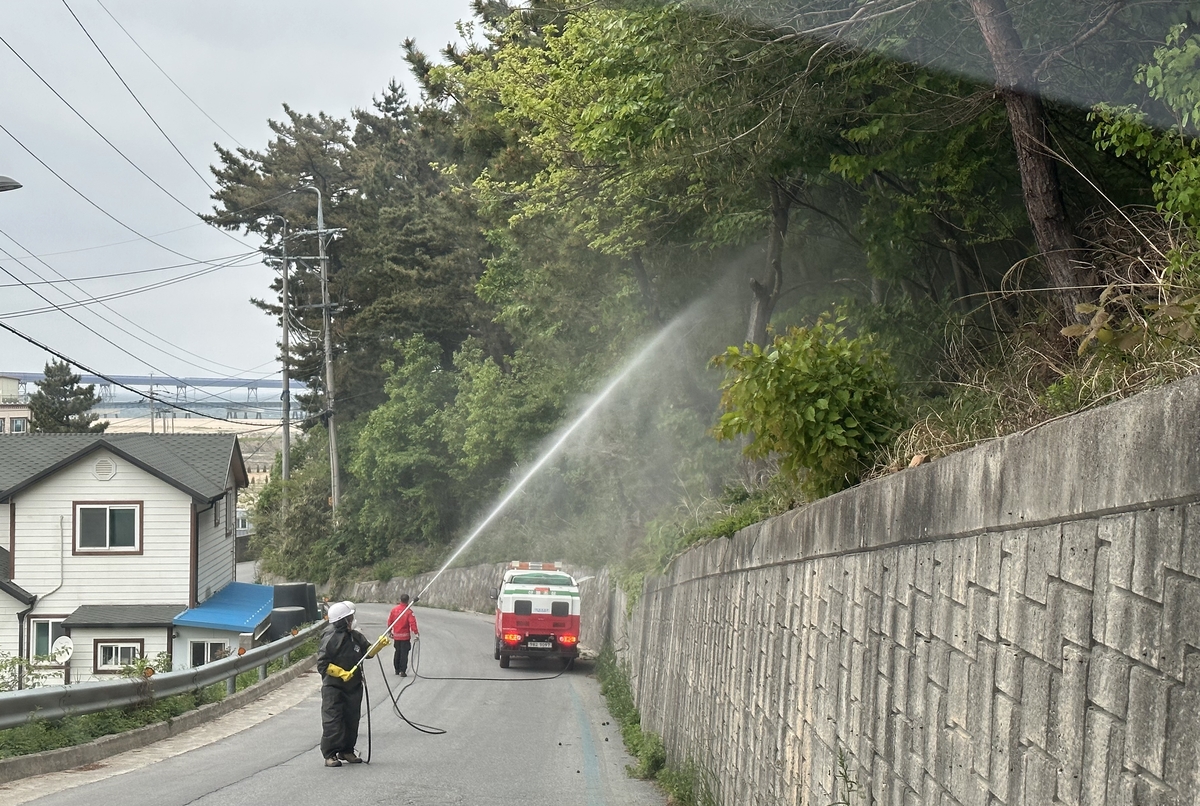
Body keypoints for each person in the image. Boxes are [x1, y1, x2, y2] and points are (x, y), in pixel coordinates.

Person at [316, 600, 387, 767]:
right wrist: (340, 672)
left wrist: (378, 646)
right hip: (334, 687)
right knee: (333, 721)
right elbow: (322, 664)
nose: (352, 620)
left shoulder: (355, 636)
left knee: (352, 719)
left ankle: (347, 751)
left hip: (354, 687)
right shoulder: (330, 638)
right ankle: (330, 754)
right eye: (349, 617)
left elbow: (367, 652)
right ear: (342, 620)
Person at [387, 593, 419, 677]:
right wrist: (416, 633)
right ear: (407, 600)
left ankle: (396, 669)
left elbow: (390, 621)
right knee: (404, 654)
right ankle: (402, 671)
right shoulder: (408, 612)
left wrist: (389, 631)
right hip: (405, 637)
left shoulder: (394, 610)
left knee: (397, 652)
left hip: (396, 636)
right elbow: (412, 623)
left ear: (400, 600)